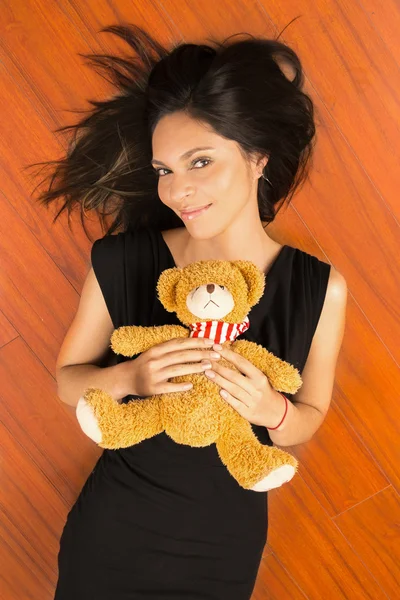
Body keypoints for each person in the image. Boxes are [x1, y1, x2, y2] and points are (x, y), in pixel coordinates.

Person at [31, 24, 347, 599]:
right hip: (114, 532)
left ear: (257, 159)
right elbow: (67, 382)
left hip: (223, 545)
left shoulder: (320, 288)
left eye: (199, 162)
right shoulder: (123, 260)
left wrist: (271, 408)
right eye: (164, 170)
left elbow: (311, 414)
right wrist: (132, 375)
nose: (177, 191)